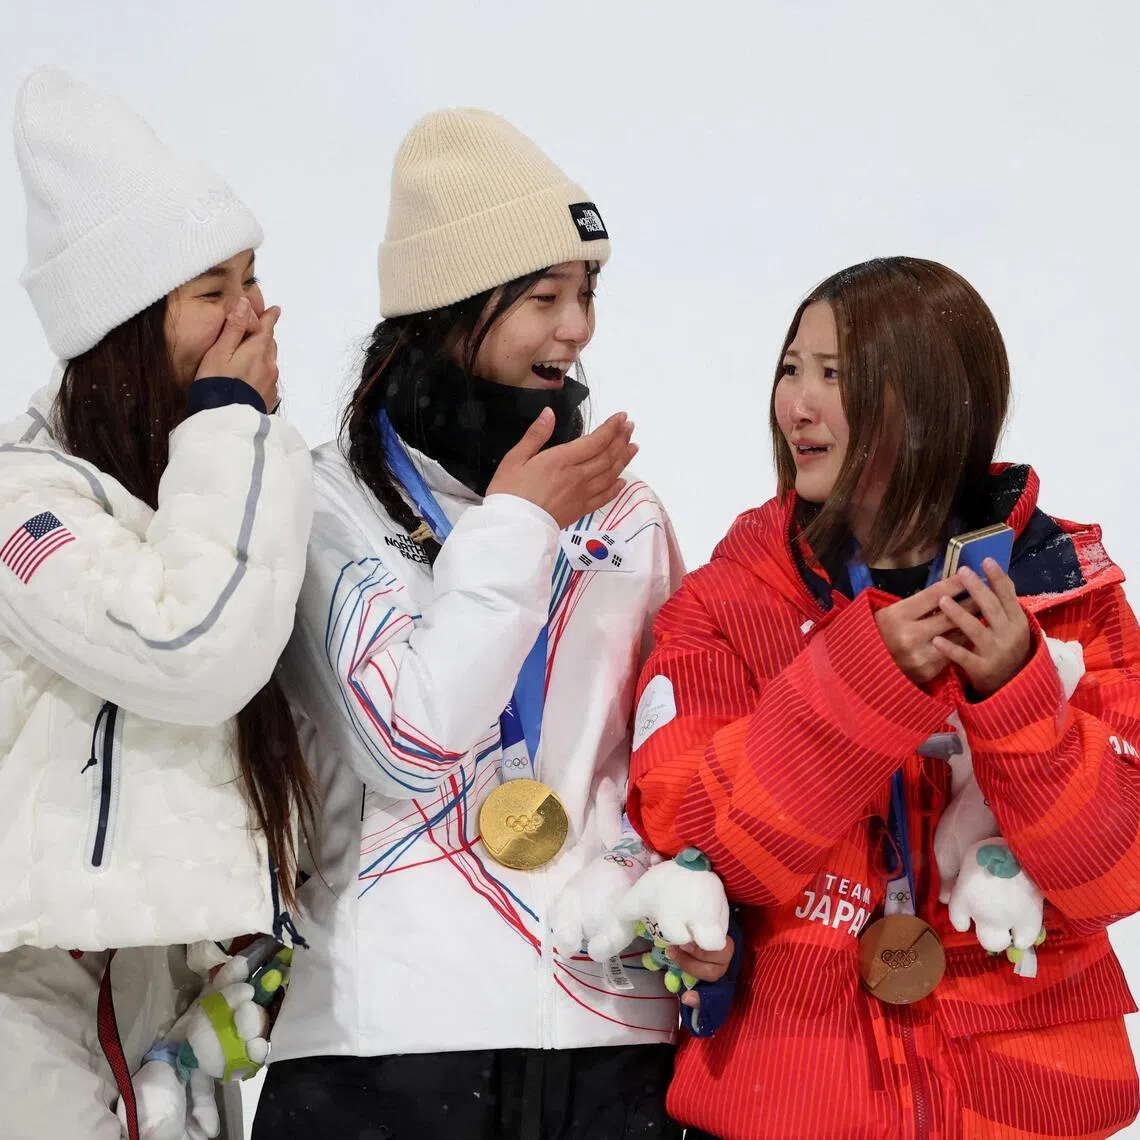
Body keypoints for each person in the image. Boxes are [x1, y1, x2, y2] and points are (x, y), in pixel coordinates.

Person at [254, 108, 730, 1140]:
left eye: (589, 294)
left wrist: (671, 894)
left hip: (613, 1040)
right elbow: (410, 741)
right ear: (447, 309)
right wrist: (515, 525)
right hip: (385, 1046)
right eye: (545, 297)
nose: (579, 329)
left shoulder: (627, 516)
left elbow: (672, 758)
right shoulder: (328, 505)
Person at [628, 256, 1140, 1139]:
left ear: (936, 402)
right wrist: (867, 685)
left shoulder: (1068, 597)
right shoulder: (725, 602)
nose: (799, 404)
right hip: (791, 1103)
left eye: (836, 375)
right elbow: (700, 840)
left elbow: (1115, 872)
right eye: (792, 368)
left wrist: (1017, 693)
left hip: (1030, 1113)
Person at [0, 67, 315, 1140]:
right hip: (27, 998)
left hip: (156, 997)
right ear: (128, 324)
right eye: (211, 290)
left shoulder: (200, 484)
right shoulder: (21, 503)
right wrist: (232, 420)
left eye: (251, 278)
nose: (251, 316)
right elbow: (192, 651)